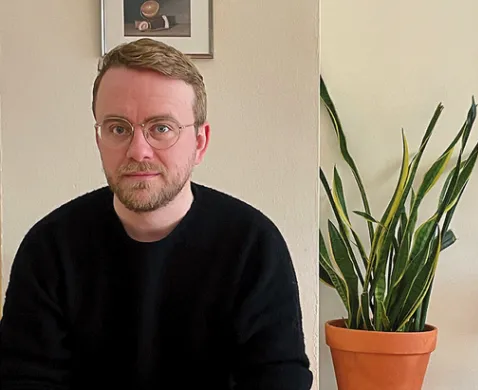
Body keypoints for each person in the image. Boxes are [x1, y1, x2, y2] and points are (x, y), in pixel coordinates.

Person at [0, 38, 313, 389]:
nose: (138, 150)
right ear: (99, 139)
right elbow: (24, 379)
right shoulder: (49, 248)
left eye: (161, 128)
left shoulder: (253, 245)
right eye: (118, 128)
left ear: (200, 143)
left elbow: (279, 379)